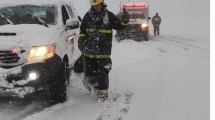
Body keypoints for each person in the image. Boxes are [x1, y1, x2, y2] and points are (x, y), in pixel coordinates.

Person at [78, 0, 130, 101]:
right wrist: (82, 38)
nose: (97, 7)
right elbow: (83, 29)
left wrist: (125, 20)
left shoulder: (109, 16)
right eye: (95, 5)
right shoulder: (87, 16)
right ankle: (95, 84)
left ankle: (102, 94)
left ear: (102, 4)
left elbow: (120, 26)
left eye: (99, 5)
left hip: (104, 52)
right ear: (92, 6)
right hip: (90, 52)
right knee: (90, 74)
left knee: (103, 73)